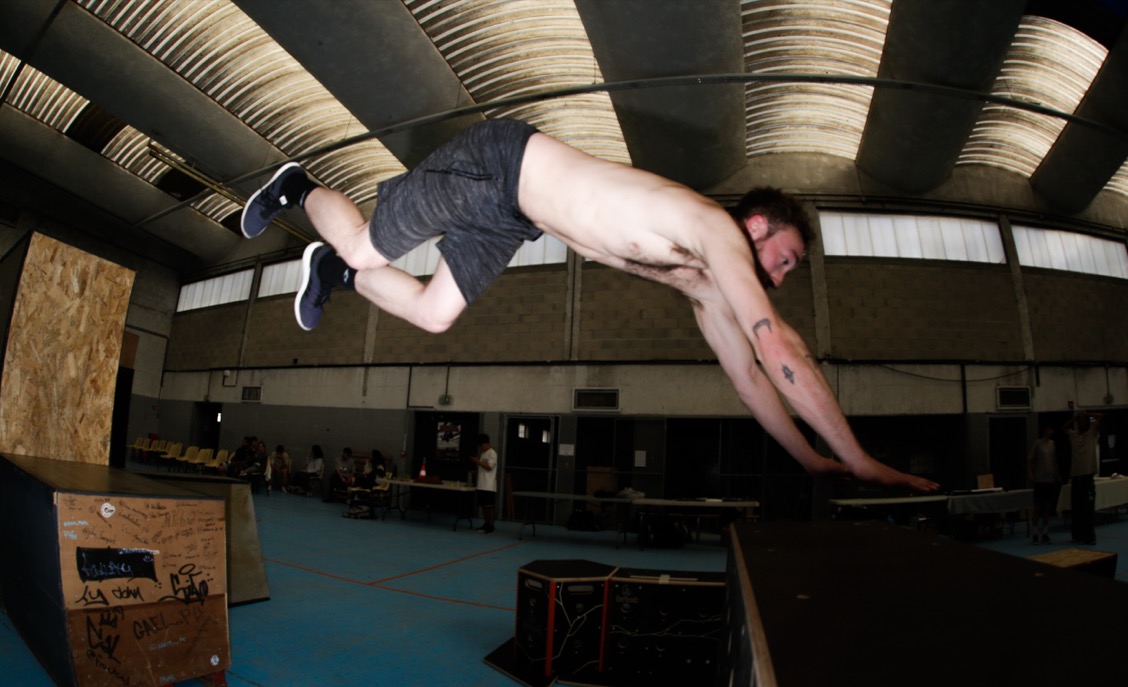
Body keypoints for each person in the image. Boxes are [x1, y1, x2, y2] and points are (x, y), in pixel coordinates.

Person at [242, 120, 938, 493]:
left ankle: (331, 270)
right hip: (501, 162)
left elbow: (753, 378)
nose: (779, 281)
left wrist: (811, 460)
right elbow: (780, 346)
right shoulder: (718, 234)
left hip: (514, 215)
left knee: (432, 312)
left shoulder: (704, 285)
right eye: (783, 261)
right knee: (372, 247)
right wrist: (860, 457)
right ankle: (300, 186)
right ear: (756, 229)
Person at [1064, 410, 1102, 545]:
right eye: (1078, 423)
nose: (1080, 424)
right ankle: (1078, 534)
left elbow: (1100, 417)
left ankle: (1090, 536)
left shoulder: (1091, 434)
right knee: (1077, 508)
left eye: (1082, 422)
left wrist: (1086, 415)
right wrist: (1075, 418)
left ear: (1086, 423)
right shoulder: (1074, 436)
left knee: (1088, 509)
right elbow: (1064, 428)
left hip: (1087, 477)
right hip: (1076, 477)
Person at [1026, 424, 1060, 544]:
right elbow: (1030, 459)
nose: (1050, 431)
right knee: (1037, 507)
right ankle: (1035, 533)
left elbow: (1054, 461)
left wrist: (1057, 475)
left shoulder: (1052, 444)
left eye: (1051, 429)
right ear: (1045, 430)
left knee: (1047, 507)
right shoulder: (1038, 443)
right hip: (1040, 480)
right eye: (1048, 429)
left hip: (1049, 480)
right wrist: (1031, 474)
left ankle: (1045, 533)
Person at [471, 433, 498, 533]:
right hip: (481, 484)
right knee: (483, 506)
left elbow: (489, 467)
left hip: (489, 485)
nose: (481, 448)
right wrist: (476, 472)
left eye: (481, 445)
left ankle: (491, 525)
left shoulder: (492, 453)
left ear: (486, 443)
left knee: (489, 506)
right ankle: (486, 524)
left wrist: (477, 461)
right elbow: (483, 467)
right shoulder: (483, 453)